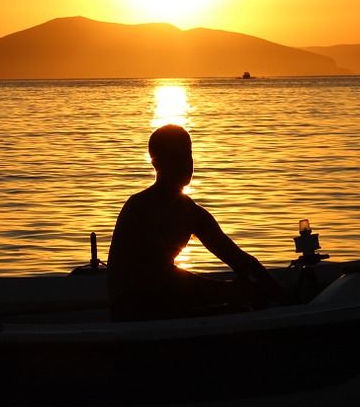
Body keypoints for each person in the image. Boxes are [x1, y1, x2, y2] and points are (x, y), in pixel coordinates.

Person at [107, 124, 285, 321]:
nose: (184, 163)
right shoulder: (141, 208)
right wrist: (225, 290)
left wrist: (283, 297)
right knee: (236, 310)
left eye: (187, 155)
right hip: (133, 306)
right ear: (156, 163)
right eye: (175, 156)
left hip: (165, 299)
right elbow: (157, 275)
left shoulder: (192, 213)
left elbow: (238, 258)